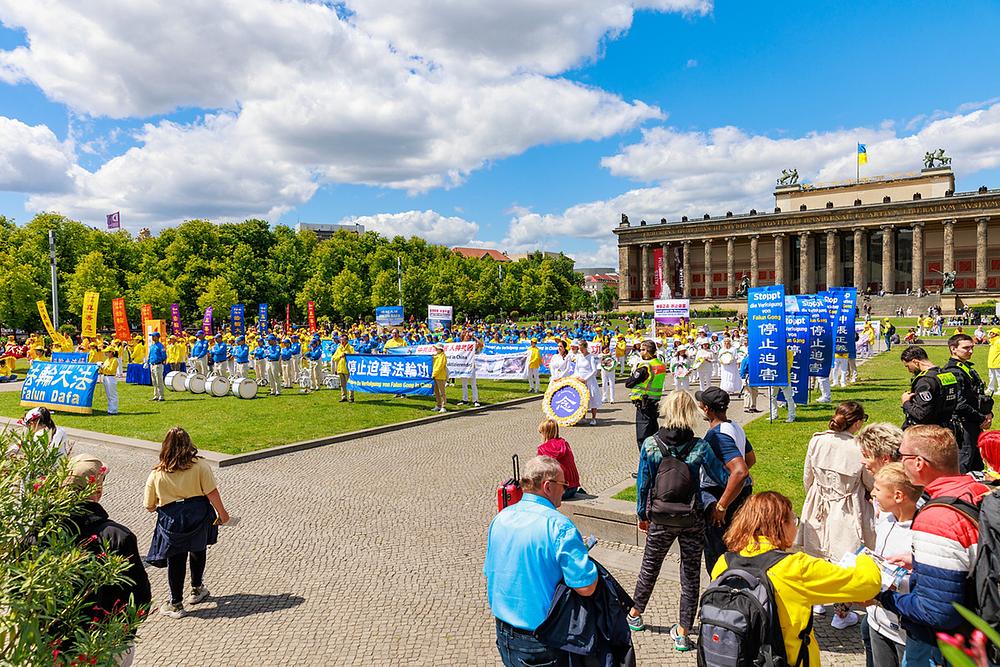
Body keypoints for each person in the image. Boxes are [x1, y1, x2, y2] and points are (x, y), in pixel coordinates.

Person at [710, 491, 882, 667]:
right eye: (794, 519)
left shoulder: (724, 563)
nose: (796, 525)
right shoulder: (796, 568)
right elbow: (869, 583)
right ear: (781, 525)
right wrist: (864, 556)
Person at [875, 425, 991, 665]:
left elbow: (936, 612)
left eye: (903, 455)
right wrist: (918, 560)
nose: (899, 460)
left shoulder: (936, 518)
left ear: (918, 463)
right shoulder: (976, 491)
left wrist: (881, 596)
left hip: (966, 646)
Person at [627, 390, 729, 650]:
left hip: (660, 515)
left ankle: (635, 614)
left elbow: (643, 484)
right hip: (691, 517)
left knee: (650, 566)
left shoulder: (651, 444)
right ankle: (683, 631)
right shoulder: (699, 446)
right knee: (690, 574)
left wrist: (642, 513)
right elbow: (722, 477)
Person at [483, 455, 598, 666]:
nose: (565, 490)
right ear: (547, 486)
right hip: (541, 638)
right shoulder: (559, 525)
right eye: (563, 484)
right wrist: (582, 554)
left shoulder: (501, 518)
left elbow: (491, 571)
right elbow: (586, 587)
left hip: (504, 631)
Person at [66, 455, 152, 667]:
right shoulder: (118, 537)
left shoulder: (40, 532)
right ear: (97, 490)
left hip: (57, 644)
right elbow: (140, 598)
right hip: (107, 643)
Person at [798, 400, 874, 628]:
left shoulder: (817, 440)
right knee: (846, 558)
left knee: (817, 550)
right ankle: (840, 611)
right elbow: (869, 482)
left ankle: (817, 600)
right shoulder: (859, 448)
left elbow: (807, 476)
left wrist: (813, 496)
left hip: (819, 501)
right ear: (858, 423)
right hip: (846, 506)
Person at [144, 427, 231, 619]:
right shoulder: (200, 466)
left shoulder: (157, 473)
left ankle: (176, 603)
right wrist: (223, 514)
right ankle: (197, 588)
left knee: (176, 558)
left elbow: (149, 506)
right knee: (198, 548)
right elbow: (211, 492)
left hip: (172, 519)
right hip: (198, 514)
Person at [696, 387, 755, 577]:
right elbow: (751, 458)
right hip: (737, 493)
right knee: (737, 548)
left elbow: (740, 470)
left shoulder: (718, 435)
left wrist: (721, 506)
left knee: (718, 555)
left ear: (706, 409)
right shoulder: (734, 426)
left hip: (721, 497)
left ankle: (720, 593)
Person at [864, 464, 919, 667]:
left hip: (905, 630)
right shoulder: (885, 519)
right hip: (876, 620)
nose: (872, 493)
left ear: (898, 496)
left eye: (878, 489)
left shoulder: (920, 532)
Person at [943, 333, 994, 473]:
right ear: (953, 349)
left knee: (977, 465)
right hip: (963, 425)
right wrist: (982, 418)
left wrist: (988, 413)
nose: (970, 351)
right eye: (966, 348)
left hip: (974, 423)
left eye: (972, 347)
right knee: (963, 464)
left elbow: (978, 396)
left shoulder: (967, 368)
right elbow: (959, 404)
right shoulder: (952, 372)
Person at [900, 345, 960, 440]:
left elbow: (922, 415)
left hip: (927, 434)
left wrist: (906, 402)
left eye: (908, 366)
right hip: (946, 428)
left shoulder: (925, 381)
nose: (909, 370)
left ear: (915, 362)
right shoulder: (947, 375)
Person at [624, 340, 665, 446]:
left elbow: (629, 383)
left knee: (643, 437)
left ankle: (645, 459)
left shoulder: (645, 366)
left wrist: (634, 371)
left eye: (642, 350)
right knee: (654, 433)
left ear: (648, 351)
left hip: (644, 403)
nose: (640, 352)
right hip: (654, 401)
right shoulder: (660, 364)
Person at [536, 419, 580, 499]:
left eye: (541, 432)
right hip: (573, 488)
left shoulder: (542, 449)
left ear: (545, 433)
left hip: (559, 492)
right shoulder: (565, 444)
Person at [571, 339, 601, 426]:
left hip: (589, 380)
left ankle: (593, 418)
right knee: (581, 398)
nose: (581, 351)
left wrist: (586, 379)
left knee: (592, 398)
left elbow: (594, 370)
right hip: (580, 379)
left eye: (582, 349)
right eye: (579, 349)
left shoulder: (591, 357)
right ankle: (583, 417)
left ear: (585, 348)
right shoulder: (579, 357)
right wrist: (577, 377)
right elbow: (576, 368)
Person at [332, 333, 355, 402]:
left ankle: (351, 397)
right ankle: (344, 396)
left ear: (347, 340)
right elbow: (334, 358)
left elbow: (353, 357)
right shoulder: (339, 348)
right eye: (341, 340)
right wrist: (340, 356)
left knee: (350, 383)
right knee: (342, 384)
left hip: (348, 368)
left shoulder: (350, 348)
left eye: (343, 340)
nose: (342, 341)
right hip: (340, 368)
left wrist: (347, 355)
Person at [147, 332, 167, 402]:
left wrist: (160, 361)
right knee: (154, 381)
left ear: (157, 337)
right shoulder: (152, 346)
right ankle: (156, 395)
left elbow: (164, 355)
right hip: (152, 364)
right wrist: (147, 362)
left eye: (153, 336)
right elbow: (150, 355)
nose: (152, 338)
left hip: (158, 365)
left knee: (159, 381)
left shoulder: (160, 346)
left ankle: (161, 396)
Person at [99, 347, 120, 415]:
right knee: (108, 395)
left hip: (111, 378)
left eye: (107, 352)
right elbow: (103, 370)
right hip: (105, 377)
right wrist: (100, 368)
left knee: (112, 395)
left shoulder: (115, 360)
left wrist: (103, 366)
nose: (106, 353)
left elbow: (111, 370)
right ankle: (110, 409)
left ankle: (114, 410)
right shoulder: (107, 360)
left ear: (112, 352)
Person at [431, 343, 448, 412]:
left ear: (440, 349)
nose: (436, 350)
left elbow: (440, 366)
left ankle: (443, 406)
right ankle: (438, 405)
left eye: (437, 348)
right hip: (435, 376)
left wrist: (434, 374)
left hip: (440, 376)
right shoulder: (437, 356)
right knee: (436, 391)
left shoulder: (443, 356)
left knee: (442, 392)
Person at [987, 328, 1000, 396]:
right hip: (992, 362)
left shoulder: (998, 341)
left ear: (994, 334)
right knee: (991, 376)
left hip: (997, 362)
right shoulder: (993, 341)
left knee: (999, 376)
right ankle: (990, 388)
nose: (989, 334)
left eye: (990, 333)